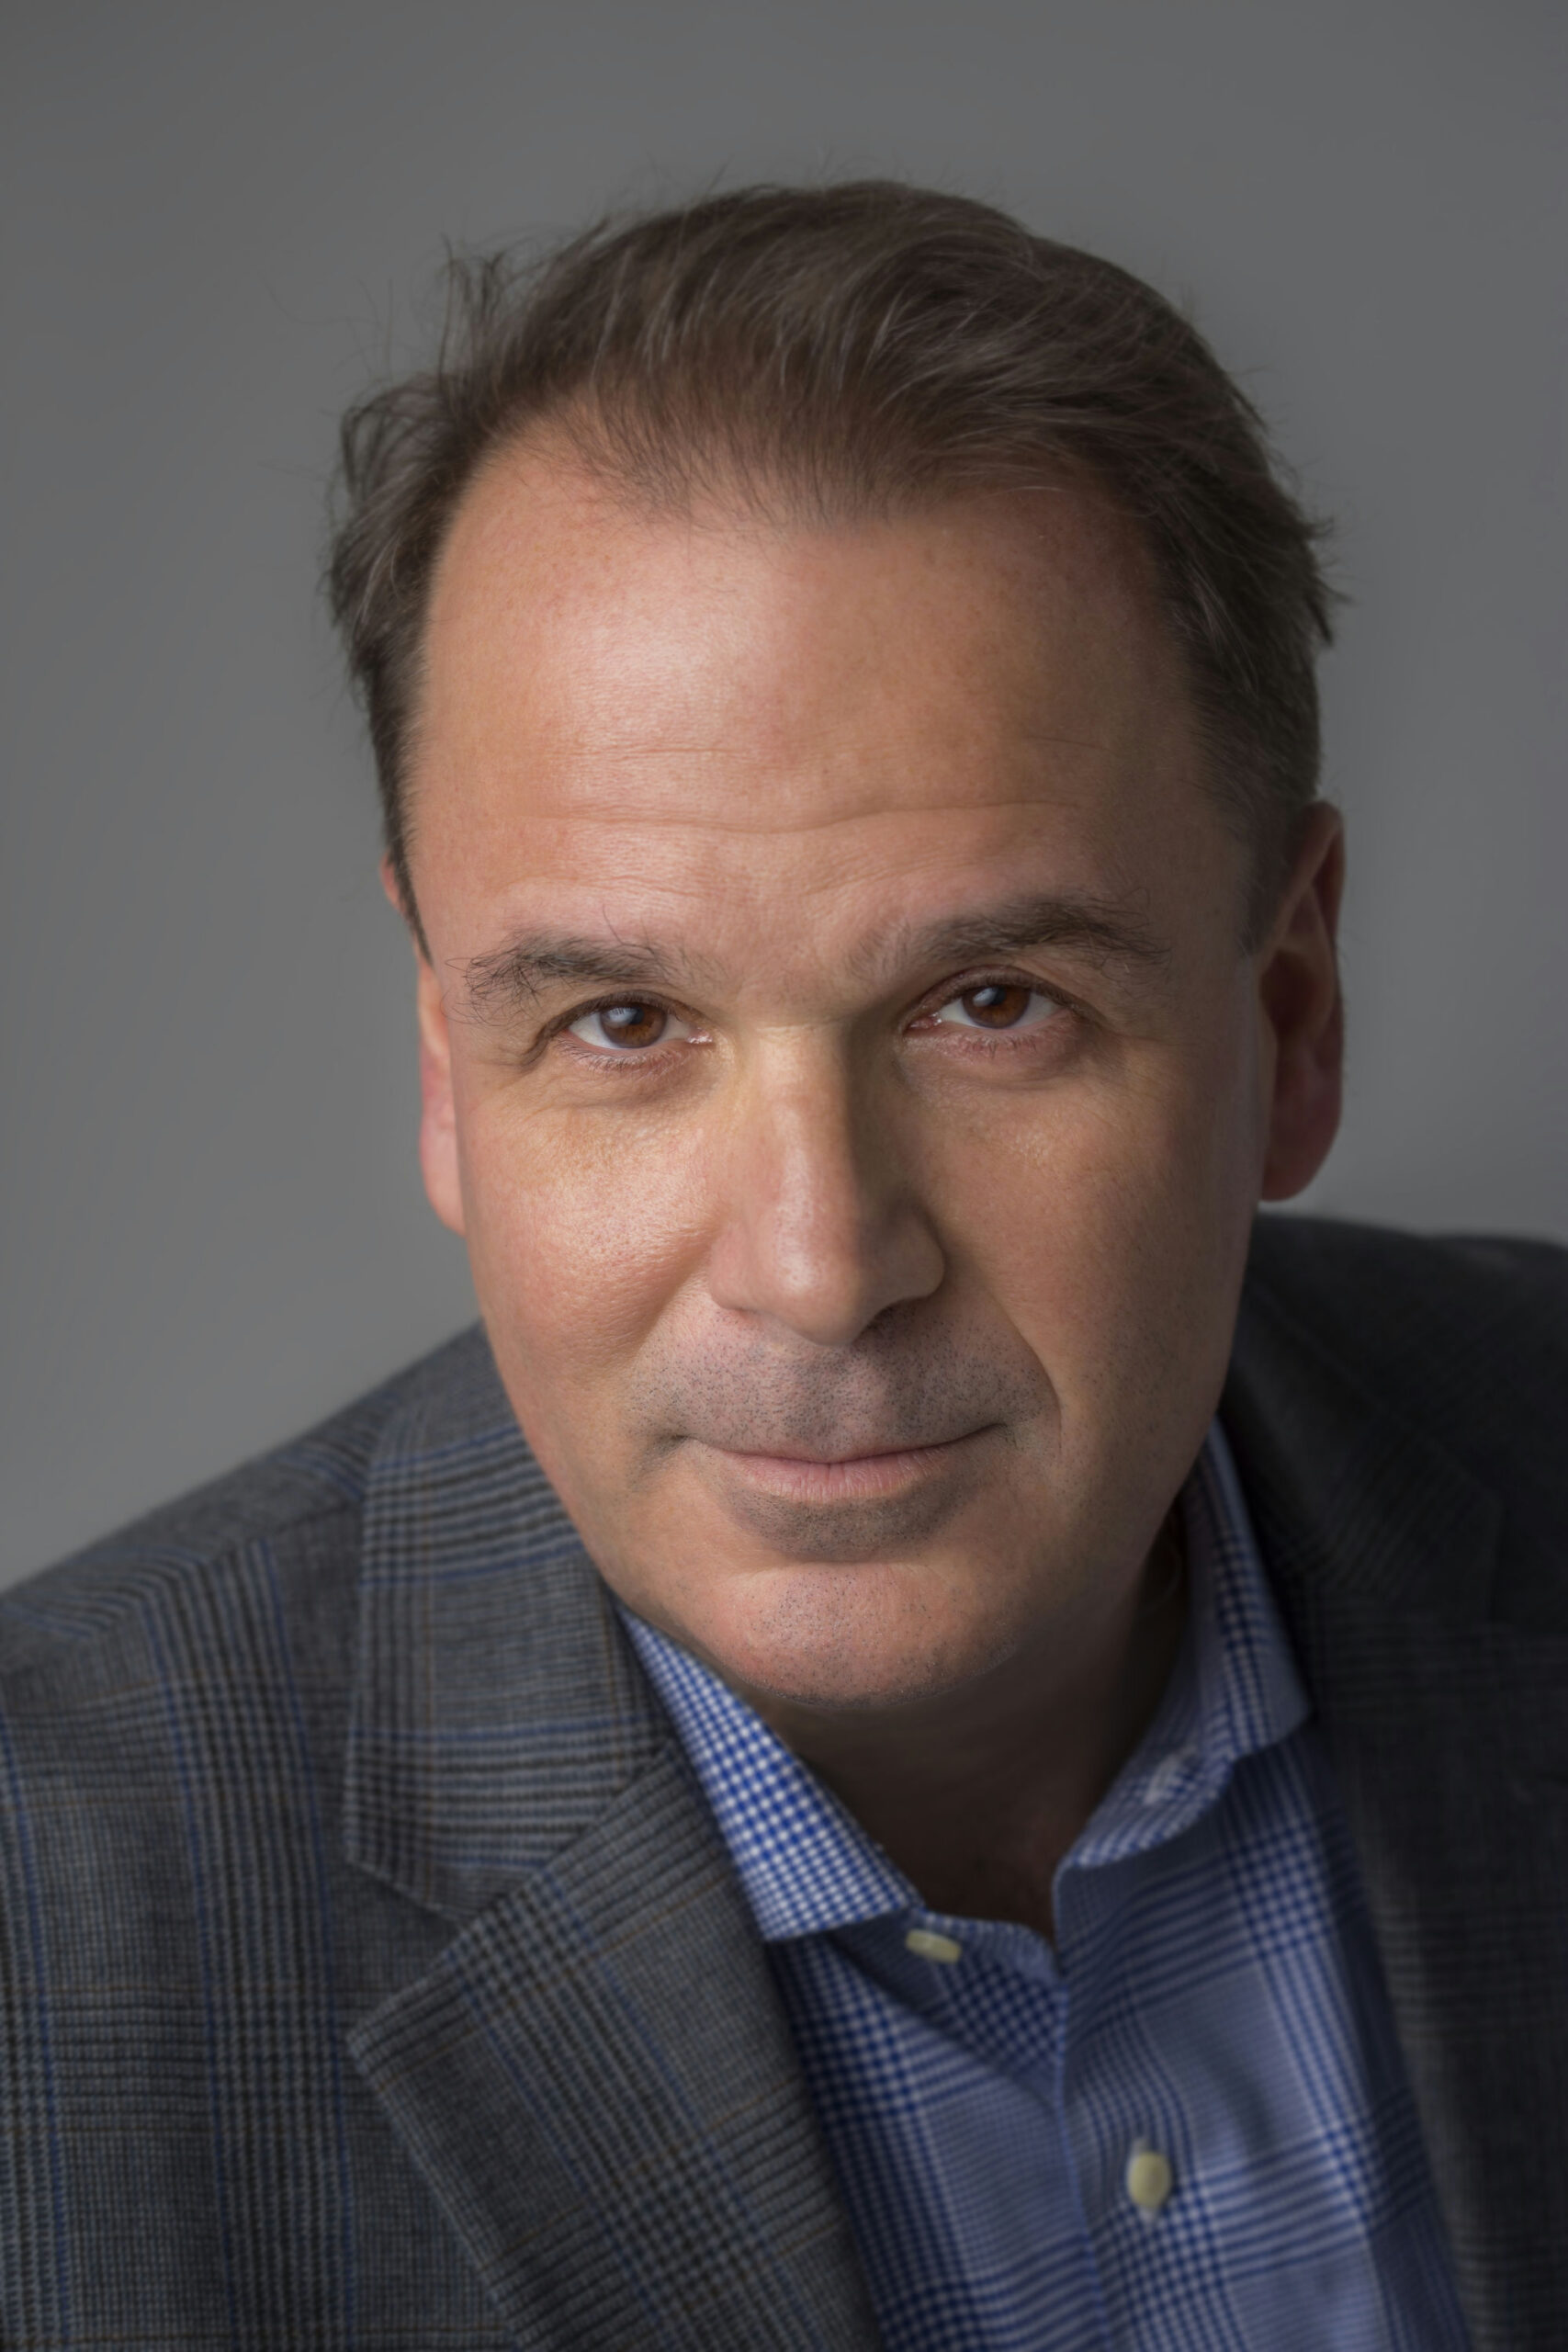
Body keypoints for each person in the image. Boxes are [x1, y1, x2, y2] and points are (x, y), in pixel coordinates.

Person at [1, 182, 1562, 2352]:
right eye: (621, 1023)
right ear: (449, 1071)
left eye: (990, 1002)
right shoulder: (45, 1925)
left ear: (1284, 1013)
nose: (820, 1268)